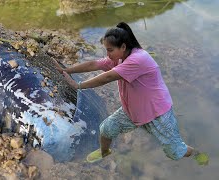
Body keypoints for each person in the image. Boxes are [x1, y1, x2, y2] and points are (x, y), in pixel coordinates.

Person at [54, 22, 207, 164]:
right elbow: (94, 64)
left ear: (123, 46)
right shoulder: (120, 57)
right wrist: (66, 70)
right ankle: (105, 152)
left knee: (174, 152)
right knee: (106, 129)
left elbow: (107, 77)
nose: (107, 55)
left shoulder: (138, 59)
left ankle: (196, 153)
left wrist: (78, 85)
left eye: (110, 50)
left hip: (157, 113)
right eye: (106, 50)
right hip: (133, 110)